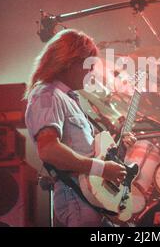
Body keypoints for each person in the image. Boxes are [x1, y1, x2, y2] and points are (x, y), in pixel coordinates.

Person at [24, 29, 135, 227]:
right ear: (71, 61)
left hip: (92, 201)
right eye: (89, 65)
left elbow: (86, 151)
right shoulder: (48, 94)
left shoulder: (69, 98)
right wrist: (102, 168)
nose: (92, 72)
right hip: (76, 200)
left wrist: (116, 151)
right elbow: (48, 149)